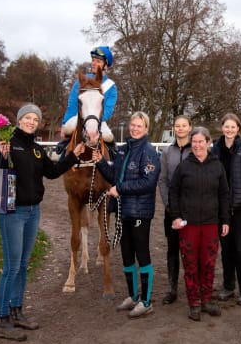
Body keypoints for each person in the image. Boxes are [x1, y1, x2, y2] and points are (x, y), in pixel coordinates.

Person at [0, 104, 85, 341]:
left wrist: (74, 155)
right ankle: (1, 319)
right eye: (27, 118)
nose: (31, 121)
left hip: (33, 212)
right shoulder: (8, 143)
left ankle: (16, 311)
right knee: (11, 266)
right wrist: (1, 153)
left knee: (22, 265)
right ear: (19, 120)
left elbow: (52, 172)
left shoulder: (37, 148)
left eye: (35, 119)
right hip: (12, 211)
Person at [93, 111, 160, 319]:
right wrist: (100, 162)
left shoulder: (149, 152)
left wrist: (120, 189)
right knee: (127, 255)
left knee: (142, 255)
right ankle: (133, 295)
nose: (135, 128)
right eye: (133, 125)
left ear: (146, 128)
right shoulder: (122, 151)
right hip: (123, 211)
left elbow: (148, 183)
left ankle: (146, 301)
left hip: (140, 211)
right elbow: (114, 176)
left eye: (139, 126)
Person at [169, 126, 230, 321]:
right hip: (189, 225)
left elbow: (224, 194)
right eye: (194, 142)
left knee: (208, 263)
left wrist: (225, 219)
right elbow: (174, 192)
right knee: (190, 264)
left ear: (208, 142)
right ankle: (194, 302)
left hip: (211, 224)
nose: (197, 145)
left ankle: (206, 300)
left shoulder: (217, 166)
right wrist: (176, 216)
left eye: (200, 142)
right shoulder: (184, 167)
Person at [212, 113, 241, 305]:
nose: (229, 130)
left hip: (240, 208)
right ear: (222, 128)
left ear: (238, 129)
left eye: (233, 127)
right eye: (226, 126)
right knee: (226, 249)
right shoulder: (214, 149)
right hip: (220, 209)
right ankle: (228, 286)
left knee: (240, 248)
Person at [158, 115, 192, 305]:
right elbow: (162, 180)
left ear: (189, 128)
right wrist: (168, 204)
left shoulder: (195, 149)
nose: (180, 129)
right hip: (171, 210)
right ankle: (172, 288)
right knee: (172, 249)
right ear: (174, 128)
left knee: (190, 250)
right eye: (177, 126)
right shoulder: (166, 152)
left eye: (183, 125)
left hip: (192, 210)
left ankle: (191, 286)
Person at [60, 46, 117, 144]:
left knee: (110, 139)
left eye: (98, 61)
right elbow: (72, 104)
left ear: (106, 66)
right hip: (78, 119)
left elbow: (108, 111)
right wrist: (64, 123)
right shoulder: (81, 81)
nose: (94, 63)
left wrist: (93, 121)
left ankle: (112, 157)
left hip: (98, 120)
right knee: (66, 135)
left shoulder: (111, 87)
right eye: (93, 60)